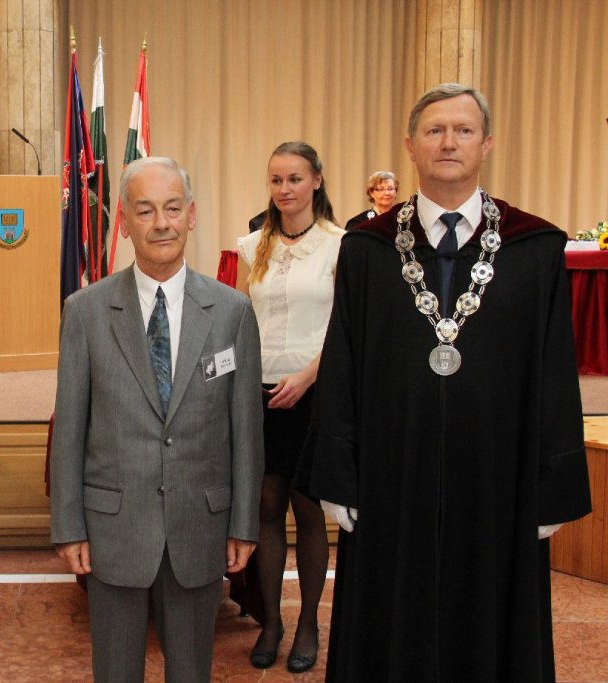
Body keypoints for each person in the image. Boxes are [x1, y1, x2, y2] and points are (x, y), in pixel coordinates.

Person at [300, 83, 592, 681]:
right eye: (435, 131)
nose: (449, 142)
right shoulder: (367, 249)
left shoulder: (534, 248)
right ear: (411, 145)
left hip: (499, 482)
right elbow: (343, 360)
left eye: (463, 130)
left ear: (487, 144)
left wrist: (554, 483)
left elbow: (555, 371)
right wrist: (337, 471)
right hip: (391, 478)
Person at [50, 156, 264, 682]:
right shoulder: (85, 311)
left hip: (200, 525)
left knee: (191, 671)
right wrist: (69, 526)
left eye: (172, 208)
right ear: (124, 222)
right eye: (145, 211)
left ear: (192, 215)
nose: (161, 223)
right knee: (115, 672)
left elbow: (246, 431)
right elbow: (70, 428)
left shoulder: (232, 312)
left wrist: (243, 522)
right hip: (114, 529)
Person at [234, 141, 342, 674]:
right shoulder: (253, 244)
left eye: (295, 178)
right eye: (276, 180)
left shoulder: (339, 245)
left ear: (316, 180)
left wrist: (307, 376)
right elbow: (238, 320)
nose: (285, 189)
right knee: (266, 507)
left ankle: (308, 625)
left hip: (313, 391)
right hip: (260, 393)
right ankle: (272, 622)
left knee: (308, 510)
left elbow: (347, 328)